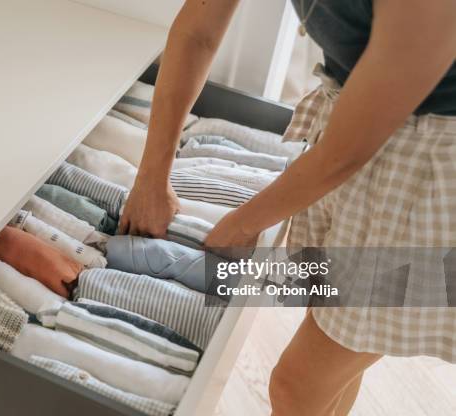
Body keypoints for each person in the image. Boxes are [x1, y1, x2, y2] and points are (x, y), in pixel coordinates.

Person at [117, 1, 456, 415]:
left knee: (296, 386)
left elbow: (346, 152)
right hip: (362, 133)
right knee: (337, 350)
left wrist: (244, 224)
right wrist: (153, 174)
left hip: (431, 175)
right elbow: (197, 32)